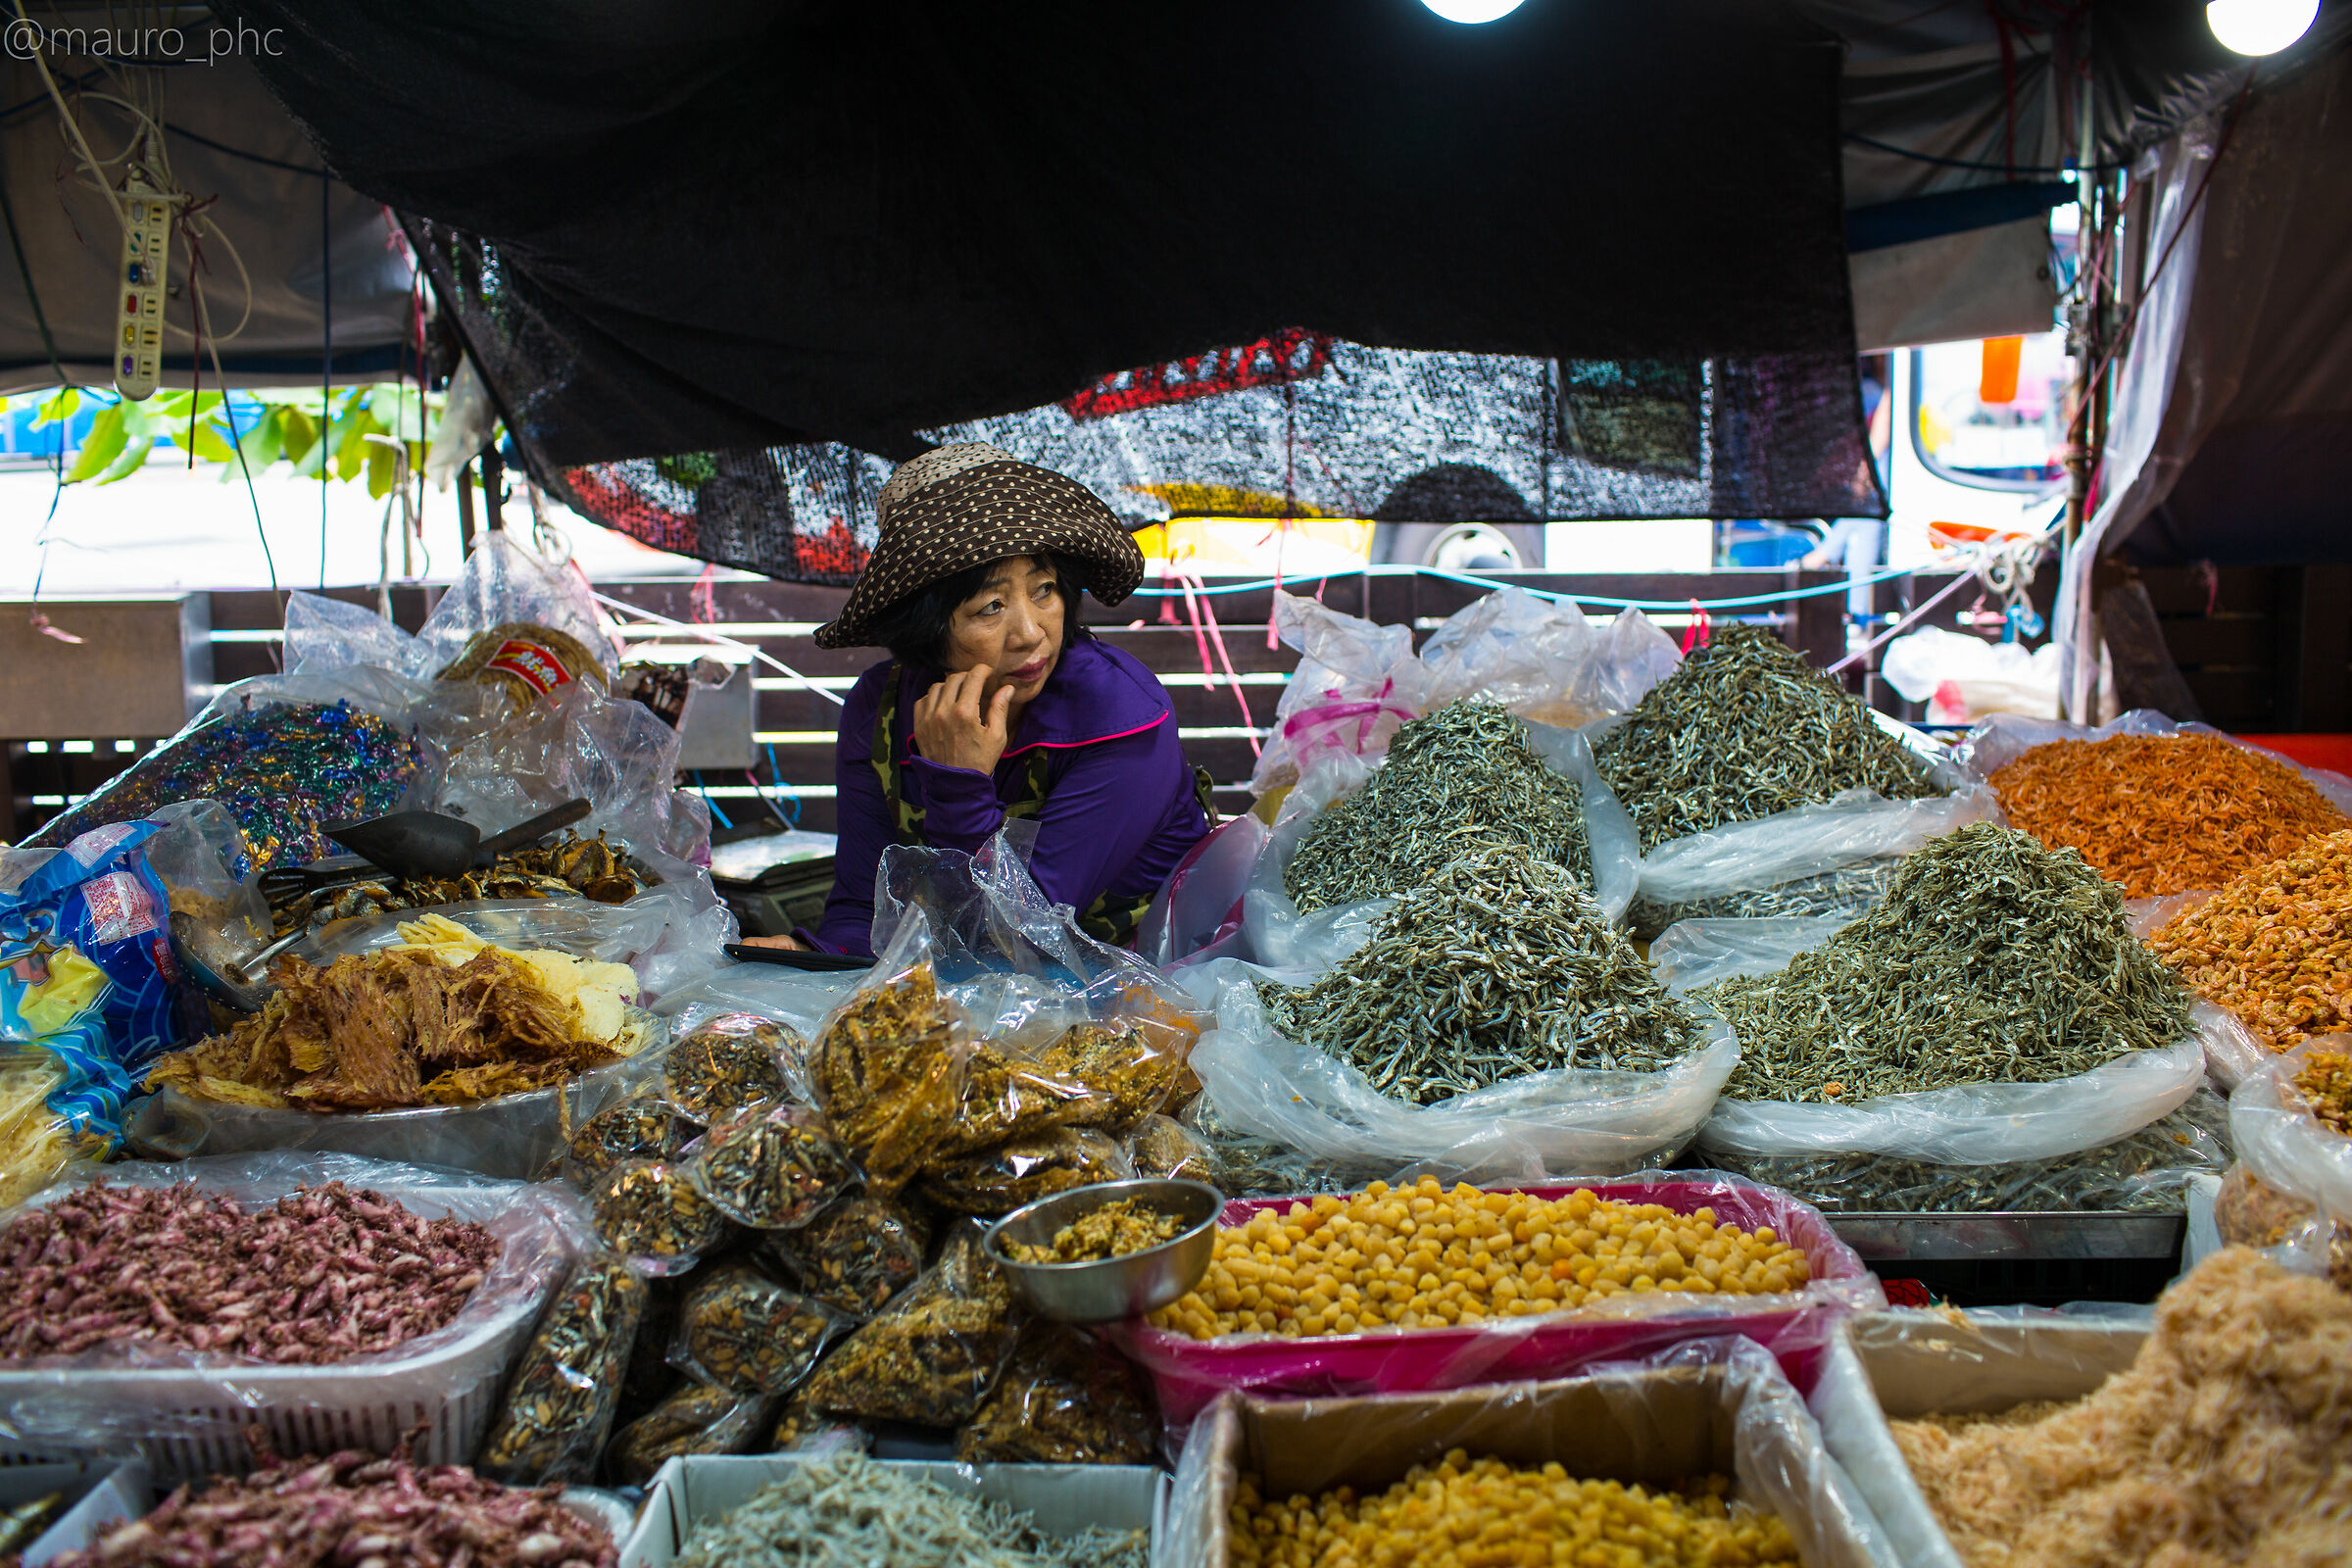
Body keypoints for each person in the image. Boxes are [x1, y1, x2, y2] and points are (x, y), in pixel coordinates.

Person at [746, 444, 1212, 957]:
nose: (1032, 634)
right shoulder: (880, 710)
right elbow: (866, 907)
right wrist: (814, 954)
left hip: (1140, 985)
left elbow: (1020, 936)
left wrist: (959, 784)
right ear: (925, 628)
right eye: (991, 607)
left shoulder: (1121, 715)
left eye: (1044, 590)